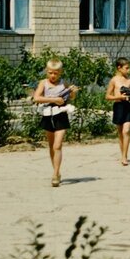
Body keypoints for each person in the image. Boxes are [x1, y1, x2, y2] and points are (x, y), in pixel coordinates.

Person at [32, 59, 79, 187]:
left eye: (56, 73)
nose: (53, 75)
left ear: (60, 72)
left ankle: (55, 174)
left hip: (61, 115)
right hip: (48, 115)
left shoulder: (64, 83)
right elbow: (36, 98)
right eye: (50, 73)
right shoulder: (43, 83)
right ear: (47, 71)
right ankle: (56, 171)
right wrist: (54, 99)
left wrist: (73, 93)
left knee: (57, 146)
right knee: (52, 146)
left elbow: (70, 97)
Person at [105, 56, 130, 166]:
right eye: (126, 68)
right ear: (119, 68)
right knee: (120, 133)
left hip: (128, 106)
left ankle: (124, 156)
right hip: (118, 106)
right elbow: (107, 96)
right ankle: (123, 154)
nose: (129, 70)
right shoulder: (114, 80)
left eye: (129, 68)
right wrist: (119, 97)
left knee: (126, 131)